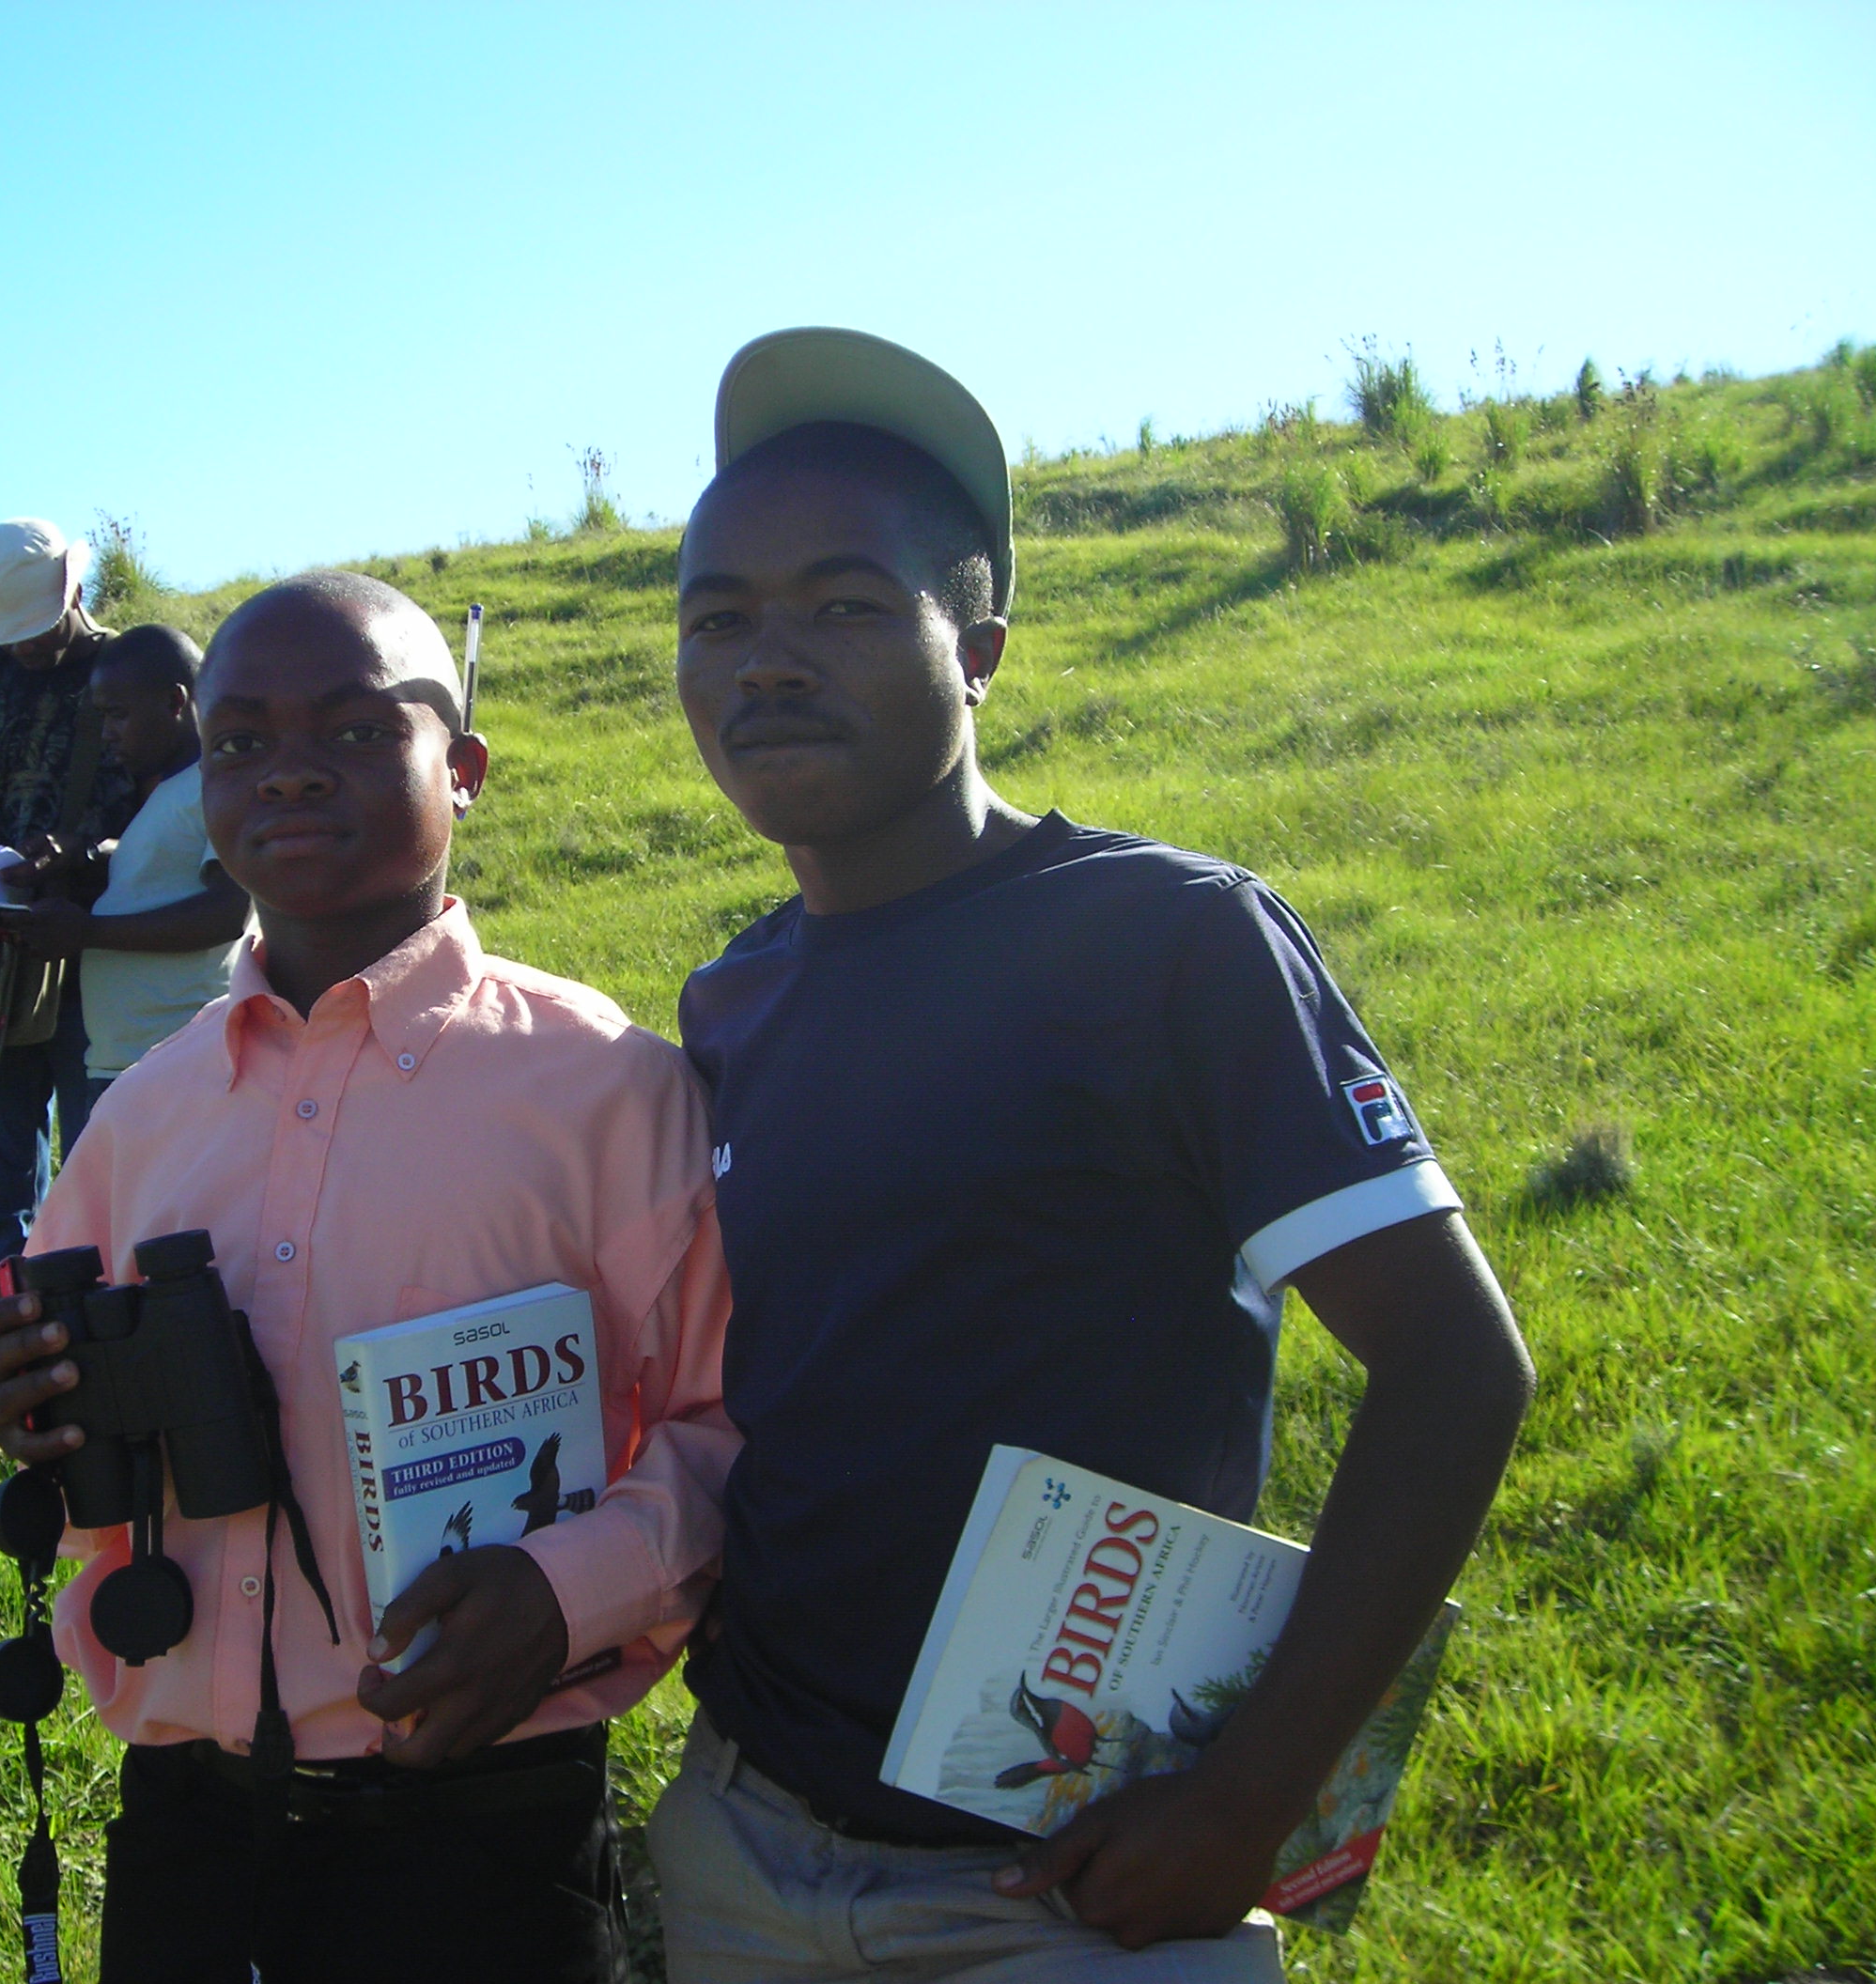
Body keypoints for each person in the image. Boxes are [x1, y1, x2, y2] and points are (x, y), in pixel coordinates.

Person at [645, 328, 1536, 1981]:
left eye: (845, 607)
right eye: (720, 619)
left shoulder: (1169, 943)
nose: (766, 662)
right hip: (742, 1848)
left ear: (978, 647)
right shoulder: (732, 998)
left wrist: (1251, 1796)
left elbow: (1456, 1366)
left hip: (1072, 1888)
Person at [0, 569, 737, 1984]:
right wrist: (27, 1397)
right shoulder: (141, 1117)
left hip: (487, 1840)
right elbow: (69, 1414)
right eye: (239, 741)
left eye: (360, 729)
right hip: (187, 1834)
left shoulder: (609, 1091)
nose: (290, 771)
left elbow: (729, 1428)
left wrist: (569, 1588)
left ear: (467, 767)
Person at [0, 518, 137, 1307]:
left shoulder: (130, 671)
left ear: (75, 593)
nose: (22, 648)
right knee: (1, 1188)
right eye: (6, 634)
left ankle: (95, 1349)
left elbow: (179, 812)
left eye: (35, 629)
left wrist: (87, 854)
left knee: (95, 1174)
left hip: (95, 951)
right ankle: (6, 1354)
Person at [3, 625, 252, 1114]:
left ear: (175, 702)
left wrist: (88, 932)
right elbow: (168, 868)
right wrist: (84, 854)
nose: (107, 733)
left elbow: (228, 912)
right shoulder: (171, 790)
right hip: (134, 1061)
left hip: (177, 1061)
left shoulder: (216, 785)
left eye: (117, 714)